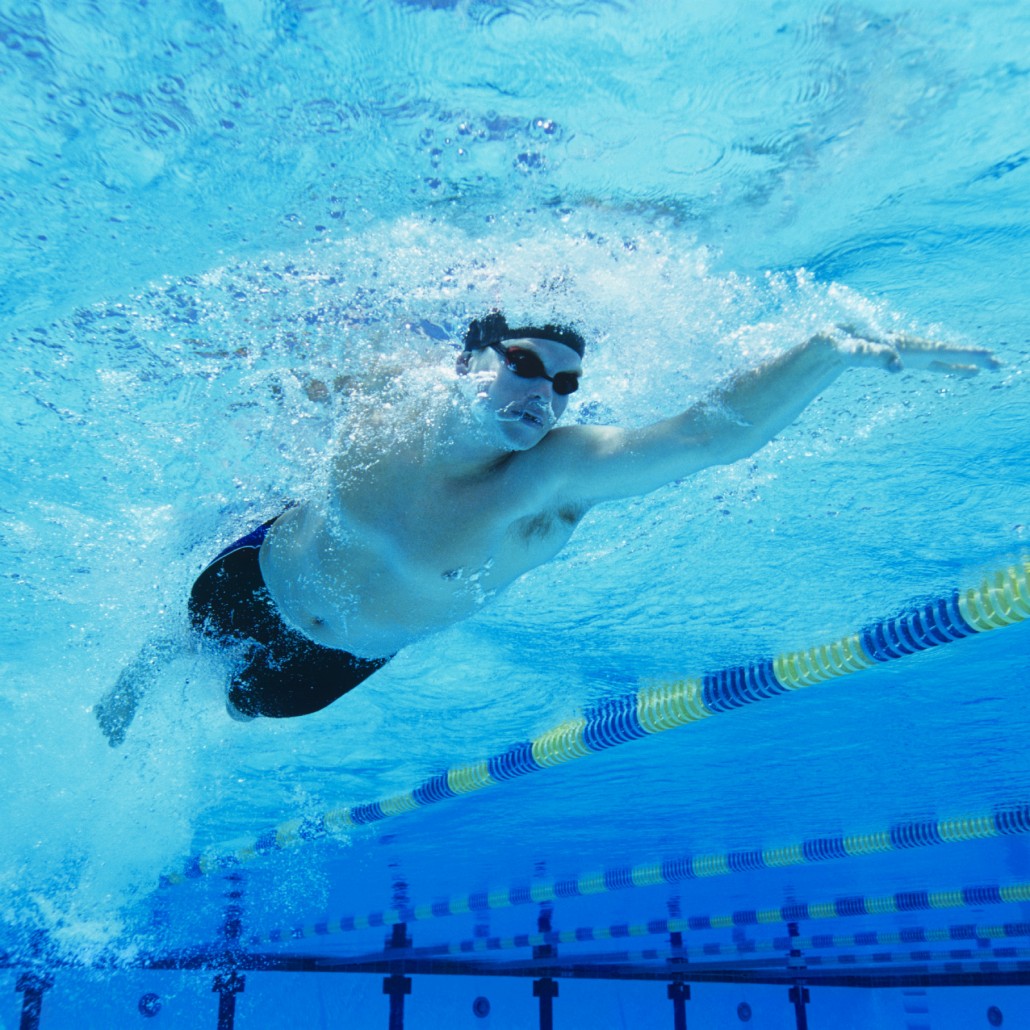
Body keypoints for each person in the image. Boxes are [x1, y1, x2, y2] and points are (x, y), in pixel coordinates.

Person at [95, 310, 998, 744]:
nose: (545, 394)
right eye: (526, 365)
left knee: (242, 706)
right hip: (256, 573)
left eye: (565, 384)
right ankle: (141, 673)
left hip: (340, 659)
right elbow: (275, 371)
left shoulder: (552, 475)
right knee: (186, 639)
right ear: (466, 363)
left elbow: (704, 436)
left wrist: (827, 352)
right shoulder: (390, 393)